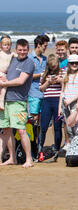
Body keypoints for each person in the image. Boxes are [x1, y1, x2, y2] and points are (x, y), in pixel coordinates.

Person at [0, 39, 35, 168]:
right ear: (16, 49)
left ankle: (29, 159)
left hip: (19, 101)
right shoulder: (13, 59)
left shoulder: (29, 63)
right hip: (6, 100)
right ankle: (12, 158)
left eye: (24, 50)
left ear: (28, 50)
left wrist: (4, 84)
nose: (22, 52)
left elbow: (21, 81)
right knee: (6, 129)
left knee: (21, 130)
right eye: (20, 50)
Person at [37, 54, 64, 161]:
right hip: (47, 101)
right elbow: (41, 89)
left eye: (55, 67)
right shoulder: (44, 74)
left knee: (57, 127)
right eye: (51, 67)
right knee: (43, 127)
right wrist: (48, 82)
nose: (53, 70)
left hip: (58, 101)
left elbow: (66, 85)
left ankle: (56, 150)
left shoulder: (62, 72)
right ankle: (40, 149)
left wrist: (60, 80)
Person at [59, 54, 78, 149]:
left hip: (76, 103)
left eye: (76, 63)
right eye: (72, 63)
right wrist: (60, 107)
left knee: (76, 125)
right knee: (68, 126)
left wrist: (71, 100)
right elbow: (62, 91)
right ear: (68, 63)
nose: (74, 65)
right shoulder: (65, 73)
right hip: (65, 103)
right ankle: (71, 145)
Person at [28, 35, 49, 122]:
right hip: (33, 93)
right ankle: (34, 136)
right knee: (34, 118)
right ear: (38, 45)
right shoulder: (29, 58)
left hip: (44, 93)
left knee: (42, 119)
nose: (46, 48)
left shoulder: (45, 59)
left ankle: (39, 136)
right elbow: (27, 76)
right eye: (45, 46)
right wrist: (41, 74)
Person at [0, 35, 15, 111]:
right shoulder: (0, 53)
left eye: (8, 45)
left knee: (4, 88)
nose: (7, 47)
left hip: (5, 74)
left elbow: (18, 56)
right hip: (0, 73)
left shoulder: (11, 54)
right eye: (5, 45)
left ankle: (1, 101)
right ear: (1, 46)